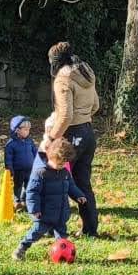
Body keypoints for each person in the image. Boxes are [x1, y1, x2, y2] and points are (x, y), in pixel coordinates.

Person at [45, 42, 100, 237]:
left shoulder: (62, 79)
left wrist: (51, 138)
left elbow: (66, 115)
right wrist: (84, 117)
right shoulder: (86, 72)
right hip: (88, 133)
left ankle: (53, 229)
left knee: (56, 181)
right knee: (83, 183)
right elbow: (95, 105)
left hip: (71, 135)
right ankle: (90, 229)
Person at [12, 138, 86, 260]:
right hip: (44, 214)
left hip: (61, 213)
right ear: (50, 157)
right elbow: (32, 192)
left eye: (64, 164)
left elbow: (71, 186)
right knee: (35, 233)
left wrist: (79, 195)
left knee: (62, 236)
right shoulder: (40, 173)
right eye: (59, 163)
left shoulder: (64, 173)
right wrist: (35, 209)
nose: (61, 166)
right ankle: (21, 248)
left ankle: (64, 255)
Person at [5, 116, 37, 212]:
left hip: (30, 169)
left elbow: (35, 153)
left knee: (29, 185)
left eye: (28, 130)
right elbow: (8, 158)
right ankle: (17, 201)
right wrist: (9, 168)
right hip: (18, 170)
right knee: (18, 186)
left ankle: (25, 200)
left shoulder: (30, 141)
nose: (28, 131)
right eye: (25, 129)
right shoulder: (11, 144)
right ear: (17, 130)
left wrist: (38, 164)